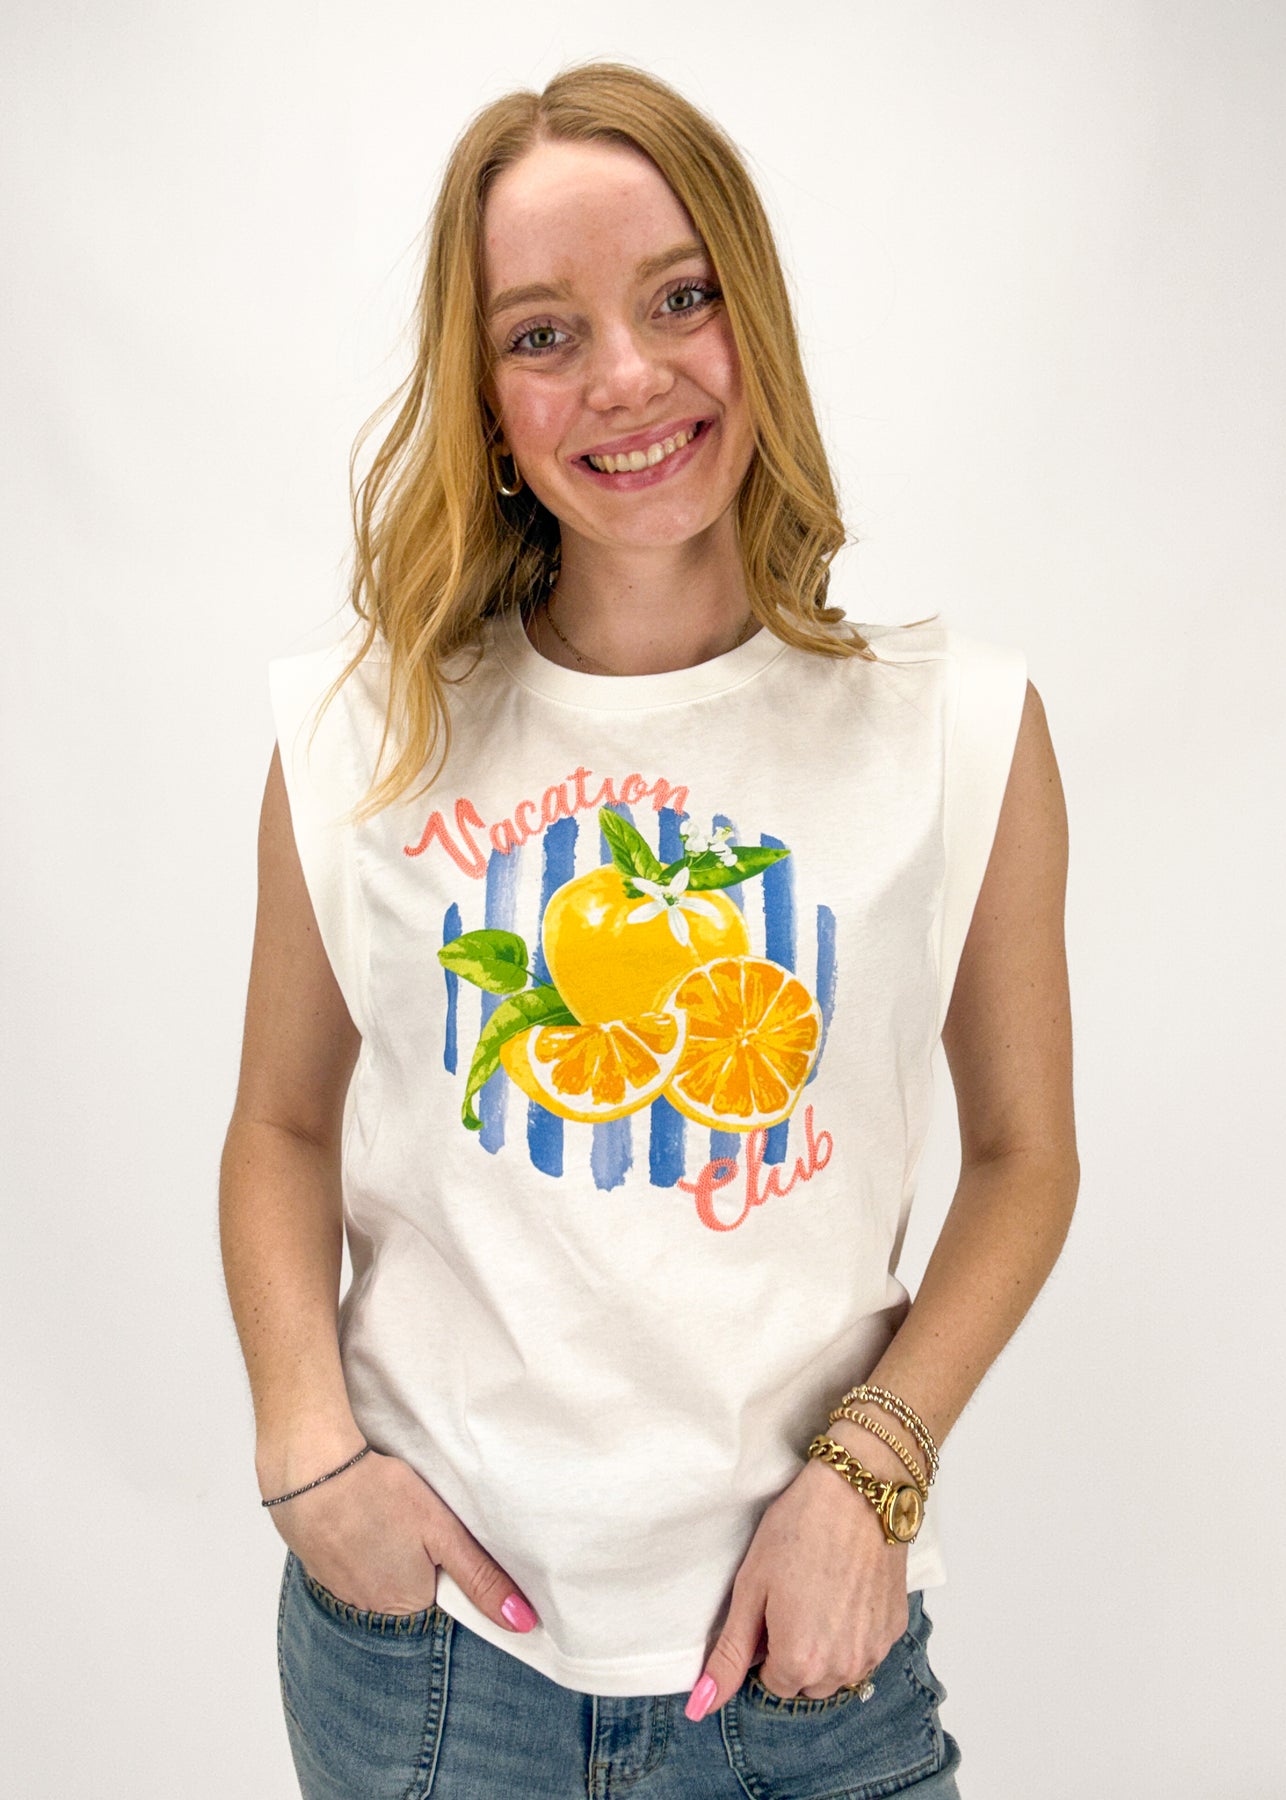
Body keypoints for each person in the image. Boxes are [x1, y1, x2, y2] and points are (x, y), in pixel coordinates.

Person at [219, 59, 1078, 1800]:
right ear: (485, 398)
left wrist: (872, 1476)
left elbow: (1024, 1158)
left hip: (805, 1661)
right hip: (429, 1672)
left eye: (678, 298)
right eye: (542, 333)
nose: (625, 375)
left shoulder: (957, 727)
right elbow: (280, 1125)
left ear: (750, 314)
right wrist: (308, 1456)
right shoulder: (359, 730)